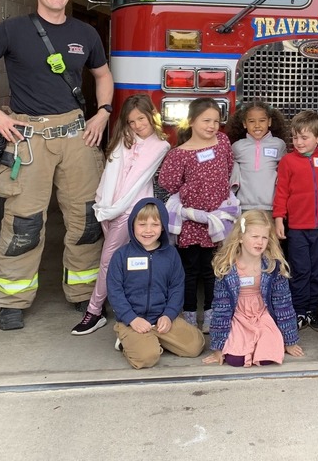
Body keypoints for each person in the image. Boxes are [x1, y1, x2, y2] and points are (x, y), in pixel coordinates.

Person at [0, 0, 114, 331]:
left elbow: (103, 75)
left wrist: (103, 112)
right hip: (29, 139)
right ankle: (12, 300)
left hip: (77, 136)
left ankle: (84, 294)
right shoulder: (13, 30)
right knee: (24, 222)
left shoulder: (86, 34)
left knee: (87, 221)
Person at [71, 94, 169, 335]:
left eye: (141, 119)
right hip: (107, 208)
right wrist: (104, 206)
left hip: (130, 211)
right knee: (123, 262)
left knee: (107, 261)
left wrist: (116, 209)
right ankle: (129, 312)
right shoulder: (123, 139)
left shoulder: (161, 146)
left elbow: (136, 182)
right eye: (131, 121)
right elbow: (111, 175)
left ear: (151, 115)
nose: (137, 125)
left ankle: (94, 312)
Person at [158, 97, 234, 331]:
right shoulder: (179, 154)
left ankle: (211, 315)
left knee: (214, 270)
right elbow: (168, 183)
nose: (212, 126)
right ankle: (189, 313)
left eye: (216, 121)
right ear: (191, 122)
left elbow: (229, 167)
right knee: (190, 271)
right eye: (206, 121)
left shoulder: (222, 141)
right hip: (192, 223)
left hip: (217, 221)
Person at [106, 198, 204, 369]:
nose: (148, 230)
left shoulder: (171, 254)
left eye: (155, 225)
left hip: (162, 318)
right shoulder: (121, 256)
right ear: (132, 225)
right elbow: (115, 291)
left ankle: (152, 338)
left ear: (163, 227)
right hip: (133, 320)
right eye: (142, 224)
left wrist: (169, 314)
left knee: (195, 346)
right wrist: (131, 319)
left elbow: (176, 287)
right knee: (147, 358)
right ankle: (128, 340)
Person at [204, 210, 303, 366]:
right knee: (235, 360)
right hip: (238, 315)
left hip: (262, 313)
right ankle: (243, 344)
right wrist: (218, 347)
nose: (260, 242)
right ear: (241, 237)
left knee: (266, 359)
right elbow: (220, 309)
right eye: (255, 237)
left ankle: (264, 343)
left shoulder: (272, 267)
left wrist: (289, 340)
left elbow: (283, 305)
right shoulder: (227, 268)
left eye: (264, 237)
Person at [272, 110, 318, 330]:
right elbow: (281, 192)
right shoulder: (288, 161)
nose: (298, 142)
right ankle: (298, 310)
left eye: (304, 137)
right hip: (297, 228)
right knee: (300, 270)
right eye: (295, 137)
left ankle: (313, 309)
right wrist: (279, 218)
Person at [226, 101, 288, 212]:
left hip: (271, 207)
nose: (257, 125)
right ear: (244, 124)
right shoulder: (237, 147)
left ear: (269, 122)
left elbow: (284, 173)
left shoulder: (279, 145)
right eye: (251, 121)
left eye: (262, 121)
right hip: (244, 207)